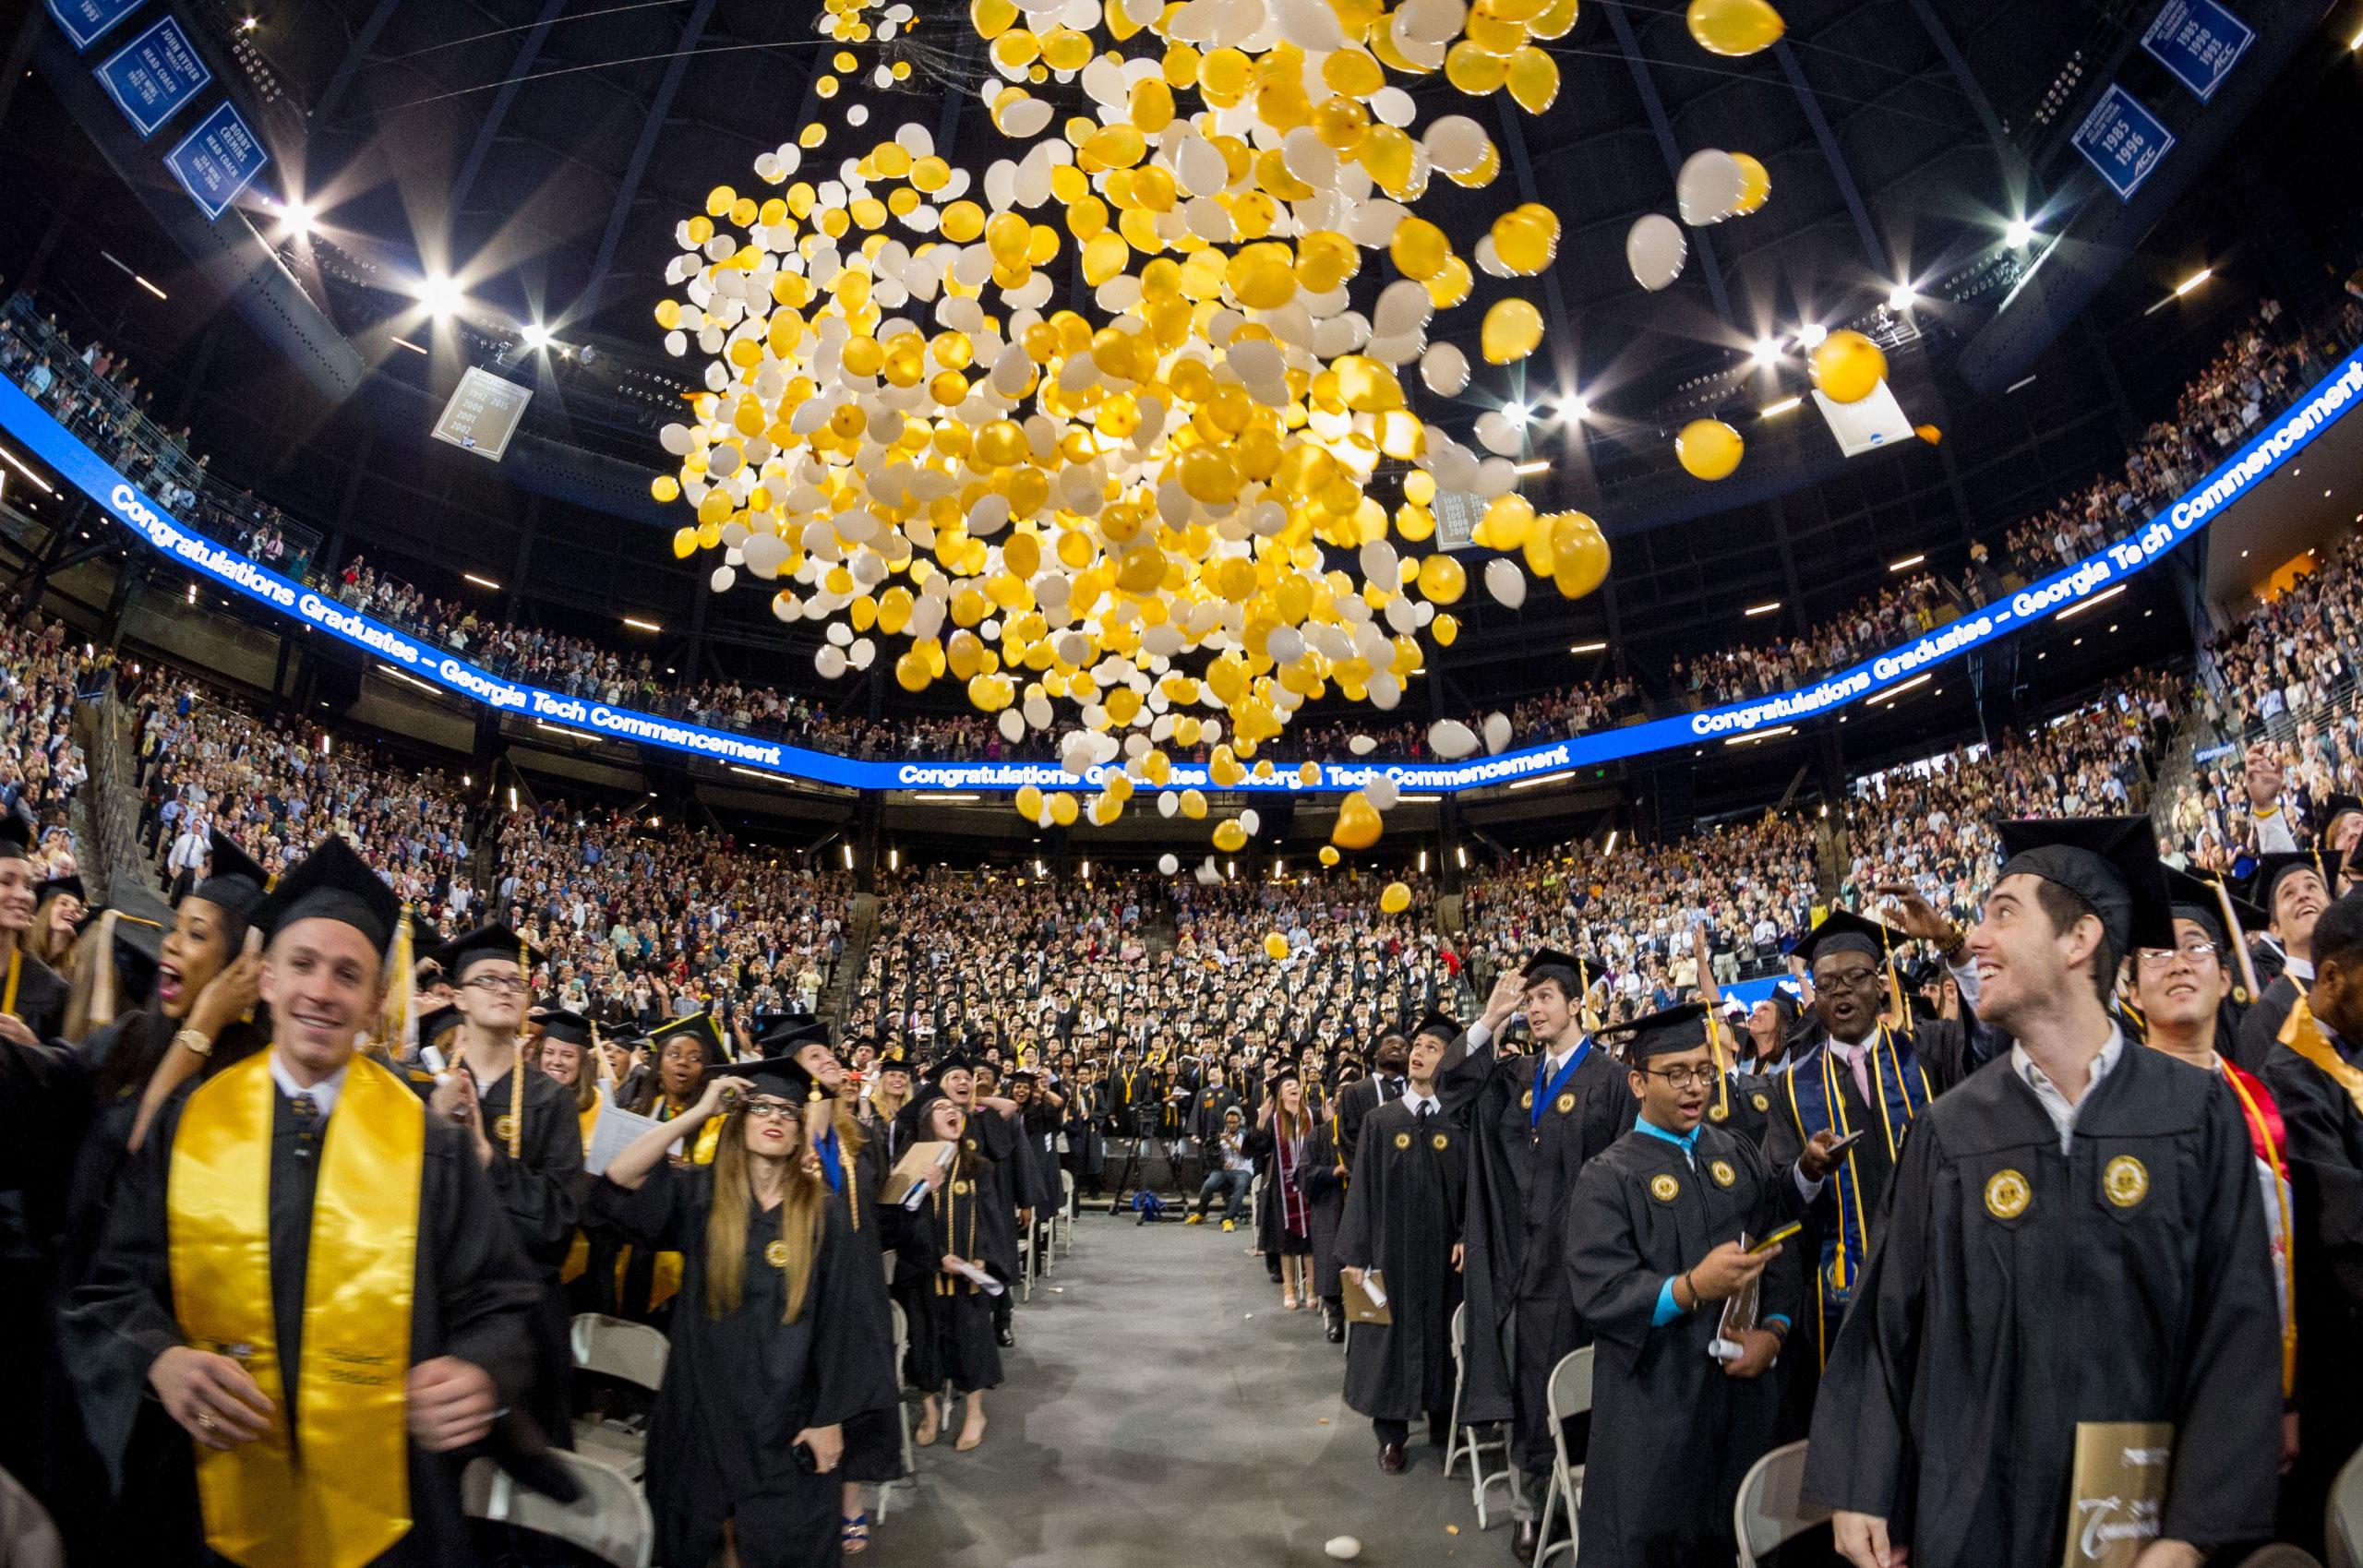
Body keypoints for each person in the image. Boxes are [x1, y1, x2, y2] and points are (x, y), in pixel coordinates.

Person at [1805, 817, 2283, 1568]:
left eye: (2003, 912)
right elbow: (1889, 1320)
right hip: (1978, 1520)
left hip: (2147, 1525)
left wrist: (2192, 1535)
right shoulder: (1952, 1130)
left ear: (2079, 938)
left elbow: (2237, 1328)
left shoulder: (2194, 1113)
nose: (1978, 938)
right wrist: (1865, 1484)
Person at [65, 836, 544, 1567]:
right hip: (206, 1501)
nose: (321, 990)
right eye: (302, 964)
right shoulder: (191, 1122)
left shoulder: (428, 1146)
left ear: (374, 1001)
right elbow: (111, 1285)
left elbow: (502, 1301)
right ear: (264, 979)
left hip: (385, 1514)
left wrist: (480, 1369)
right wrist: (160, 1360)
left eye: (348, 974)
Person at [591, 1050, 896, 1568]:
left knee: (785, 1544)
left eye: (787, 1112)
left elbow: (849, 1324)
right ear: (739, 1121)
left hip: (787, 1415)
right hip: (701, 1408)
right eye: (761, 1108)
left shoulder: (824, 1214)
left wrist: (829, 1420)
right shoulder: (701, 1197)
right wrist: (699, 1111)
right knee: (690, 1538)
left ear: (801, 1131)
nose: (775, 1117)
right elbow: (617, 1178)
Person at [1565, 1003, 1797, 1567]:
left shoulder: (1735, 1151)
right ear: (1639, 1082)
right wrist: (1690, 1287)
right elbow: (1599, 1293)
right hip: (1655, 1410)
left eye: (1702, 1070)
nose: (1695, 1087)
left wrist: (1775, 1330)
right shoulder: (1609, 1176)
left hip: (1740, 1403)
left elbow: (1780, 1248)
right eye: (1676, 1074)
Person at [1443, 951, 1637, 1562]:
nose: (1535, 1007)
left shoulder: (1609, 1079)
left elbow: (1628, 1175)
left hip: (1578, 1266)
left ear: (1578, 1002)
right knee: (1528, 1392)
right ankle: (1532, 1508)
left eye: (1546, 995)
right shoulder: (1516, 1074)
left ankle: (1581, 1504)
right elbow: (1451, 1087)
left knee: (1579, 1395)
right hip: (1516, 1267)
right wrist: (1488, 1016)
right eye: (1529, 999)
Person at [1762, 902, 1989, 1405]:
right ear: (1814, 997)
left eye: (1856, 977)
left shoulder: (1929, 1049)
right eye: (1827, 984)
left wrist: (1954, 948)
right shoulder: (1790, 1090)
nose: (1841, 991)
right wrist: (1805, 1170)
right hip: (1842, 1294)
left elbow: (1991, 1044)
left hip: (1939, 1278)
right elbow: (1777, 1194)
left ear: (1881, 983)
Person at [417, 923, 584, 1451]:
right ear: (459, 997)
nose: (505, 989)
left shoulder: (550, 1099)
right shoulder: (422, 1090)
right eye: (488, 980)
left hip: (526, 1318)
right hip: (439, 1312)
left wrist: (489, 1160)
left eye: (515, 982)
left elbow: (560, 1218)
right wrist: (430, 1129)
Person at [762, 1013, 903, 1557]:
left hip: (860, 1283)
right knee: (807, 1392)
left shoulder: (859, 1136)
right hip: (802, 1286)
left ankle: (851, 1503)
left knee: (861, 1394)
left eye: (831, 1057)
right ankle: (804, 1498)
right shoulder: (782, 1139)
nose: (832, 1063)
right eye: (817, 1059)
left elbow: (878, 1209)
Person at [1336, 1009, 1467, 1474]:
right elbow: (1363, 1189)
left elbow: (1476, 1189)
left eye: (1433, 1048)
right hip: (1388, 1252)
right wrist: (1354, 1253)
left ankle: (1440, 1420)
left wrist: (1468, 1234)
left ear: (1450, 1061)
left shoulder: (1459, 1121)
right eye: (1418, 1047)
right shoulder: (1380, 1120)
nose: (1419, 1054)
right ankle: (1390, 1437)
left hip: (1441, 1257)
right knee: (1385, 1339)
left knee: (1440, 1336)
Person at [890, 1090, 1002, 1454]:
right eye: (941, 1108)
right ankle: (929, 1412)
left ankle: (974, 1413)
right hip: (923, 1272)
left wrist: (982, 1258)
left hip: (970, 1276)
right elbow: (898, 1225)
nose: (951, 1112)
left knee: (972, 1341)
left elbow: (990, 1217)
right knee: (924, 1342)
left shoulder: (978, 1166)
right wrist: (937, 1257)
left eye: (955, 1109)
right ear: (926, 1122)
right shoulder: (908, 1165)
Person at [2235, 853, 2331, 1068]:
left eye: (2312, 887)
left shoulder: (2355, 980)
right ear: (2274, 929)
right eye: (2289, 893)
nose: (2303, 896)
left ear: (2331, 905)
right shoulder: (2266, 1014)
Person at [1247, 1067, 1318, 1311]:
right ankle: (1289, 1289)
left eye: (1296, 1086)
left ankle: (1311, 1288)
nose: (1294, 1088)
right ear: (1280, 1095)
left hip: (1310, 1188)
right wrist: (1260, 1122)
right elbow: (1254, 1149)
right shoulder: (1273, 1121)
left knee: (1310, 1242)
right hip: (1281, 1189)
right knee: (1286, 1242)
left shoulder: (1312, 1116)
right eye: (1288, 1087)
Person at [0, 815, 71, 1042]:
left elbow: (61, 1075)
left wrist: (34, 1052)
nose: (23, 895)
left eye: (29, 885)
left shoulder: (50, 991)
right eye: (6, 881)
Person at [1186, 1106, 1253, 1228]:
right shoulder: (1219, 1136)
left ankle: (1229, 1218)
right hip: (1223, 1170)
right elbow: (1211, 1157)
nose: (1231, 1125)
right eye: (1229, 1122)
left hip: (1242, 1170)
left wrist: (1231, 1142)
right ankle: (1201, 1213)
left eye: (1234, 1122)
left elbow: (1248, 1154)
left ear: (1240, 1121)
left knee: (1241, 1184)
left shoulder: (1246, 1135)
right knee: (1209, 1184)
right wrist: (1220, 1162)